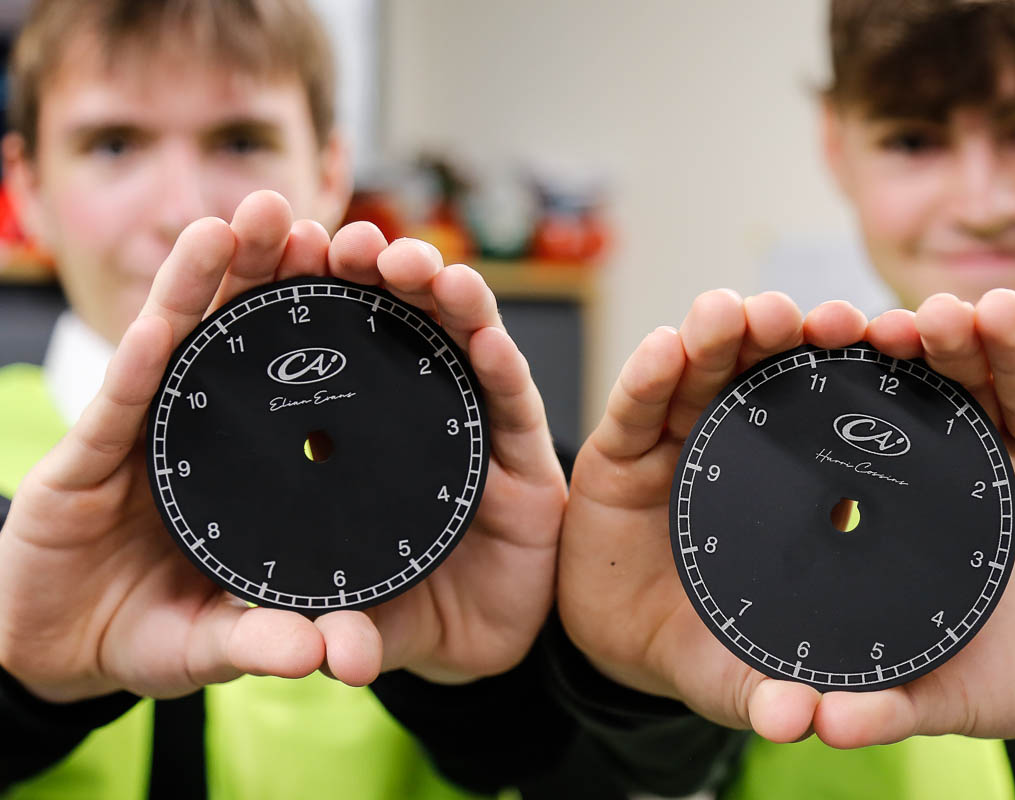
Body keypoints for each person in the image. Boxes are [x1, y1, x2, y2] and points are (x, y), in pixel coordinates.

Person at [0, 1, 744, 798]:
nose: (181, 209)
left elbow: (660, 781)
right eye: (113, 144)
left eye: (242, 140)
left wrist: (526, 687)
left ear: (330, 170)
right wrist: (22, 693)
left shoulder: (503, 492)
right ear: (27, 187)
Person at [557, 1, 1015, 799]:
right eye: (912, 140)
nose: (983, 202)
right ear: (837, 146)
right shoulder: (717, 458)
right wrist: (630, 689)